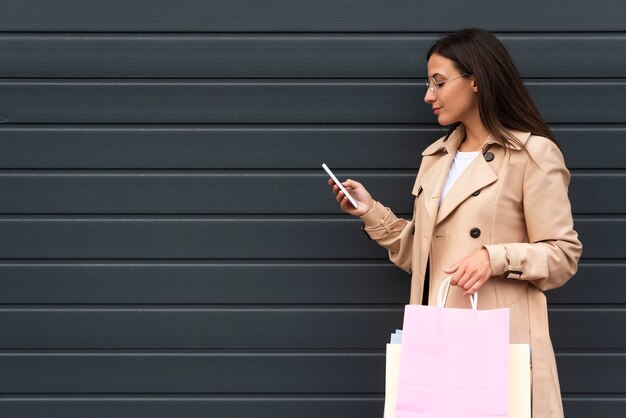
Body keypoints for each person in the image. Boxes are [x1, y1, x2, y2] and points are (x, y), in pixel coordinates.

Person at [328, 28, 582, 418]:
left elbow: (563, 255)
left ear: (476, 80)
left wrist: (493, 258)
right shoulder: (436, 158)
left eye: (439, 82)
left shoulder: (532, 155)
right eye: (428, 83)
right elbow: (427, 257)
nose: (429, 96)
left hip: (501, 344)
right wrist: (370, 212)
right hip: (439, 345)